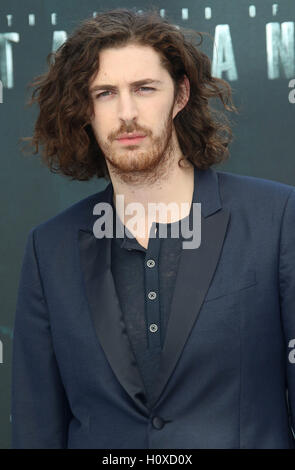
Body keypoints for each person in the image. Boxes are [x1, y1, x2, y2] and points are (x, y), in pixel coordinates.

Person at [11, 7, 295, 449]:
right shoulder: (49, 250)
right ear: (84, 108)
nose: (126, 113)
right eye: (104, 93)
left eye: (144, 89)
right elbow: (36, 426)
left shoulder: (276, 218)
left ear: (180, 95)